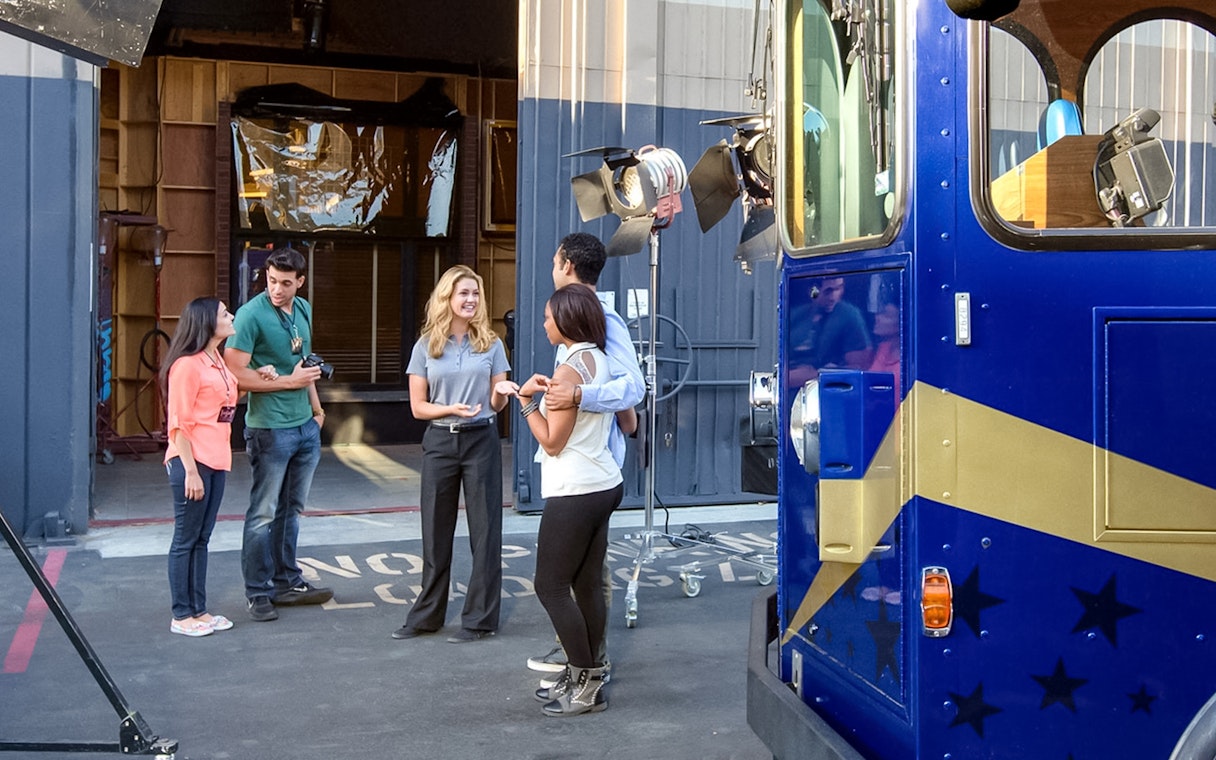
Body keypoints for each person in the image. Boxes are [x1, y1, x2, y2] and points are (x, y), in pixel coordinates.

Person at [502, 284, 636, 716]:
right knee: (585, 583)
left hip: (574, 489)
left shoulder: (567, 371)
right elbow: (627, 416)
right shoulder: (600, 359)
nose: (543, 324)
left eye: (547, 317)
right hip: (603, 483)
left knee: (550, 586)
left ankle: (586, 679)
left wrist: (524, 402)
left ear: (567, 322)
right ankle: (589, 672)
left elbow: (553, 442)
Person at [526, 232, 646, 677]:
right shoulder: (575, 323)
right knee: (581, 577)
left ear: (567, 266)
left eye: (555, 261)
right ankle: (583, 658)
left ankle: (590, 664)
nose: (552, 268)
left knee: (576, 580)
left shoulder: (602, 320)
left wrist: (579, 394)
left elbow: (633, 386)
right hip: (587, 464)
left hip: (587, 470)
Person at [392, 265, 511, 644]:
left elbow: (495, 401)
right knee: (435, 532)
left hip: (481, 440)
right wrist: (450, 410)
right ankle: (427, 617)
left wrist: (501, 393)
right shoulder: (427, 345)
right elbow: (417, 407)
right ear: (447, 297)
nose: (471, 300)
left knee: (486, 532)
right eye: (463, 293)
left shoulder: (491, 343)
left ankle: (479, 621)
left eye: (475, 294)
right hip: (441, 441)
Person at [224, 246, 332, 622]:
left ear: (300, 282)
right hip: (269, 428)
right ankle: (258, 591)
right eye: (272, 281)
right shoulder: (251, 314)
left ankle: (286, 580)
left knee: (292, 511)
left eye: (286, 283)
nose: (277, 289)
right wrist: (288, 383)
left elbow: (306, 366)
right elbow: (234, 373)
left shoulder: (302, 310)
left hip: (304, 426)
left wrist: (317, 412)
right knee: (263, 513)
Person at [161, 297, 240, 637]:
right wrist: (190, 471)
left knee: (201, 539)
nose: (231, 315)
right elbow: (178, 424)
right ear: (208, 322)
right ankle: (182, 615)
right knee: (186, 538)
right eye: (224, 313)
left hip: (217, 458)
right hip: (192, 461)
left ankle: (200, 611)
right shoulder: (187, 366)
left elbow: (221, 405)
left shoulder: (217, 361)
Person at [868, 302, 901, 395]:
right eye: (880, 313)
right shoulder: (882, 348)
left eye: (886, 316)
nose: (877, 318)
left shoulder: (912, 359)